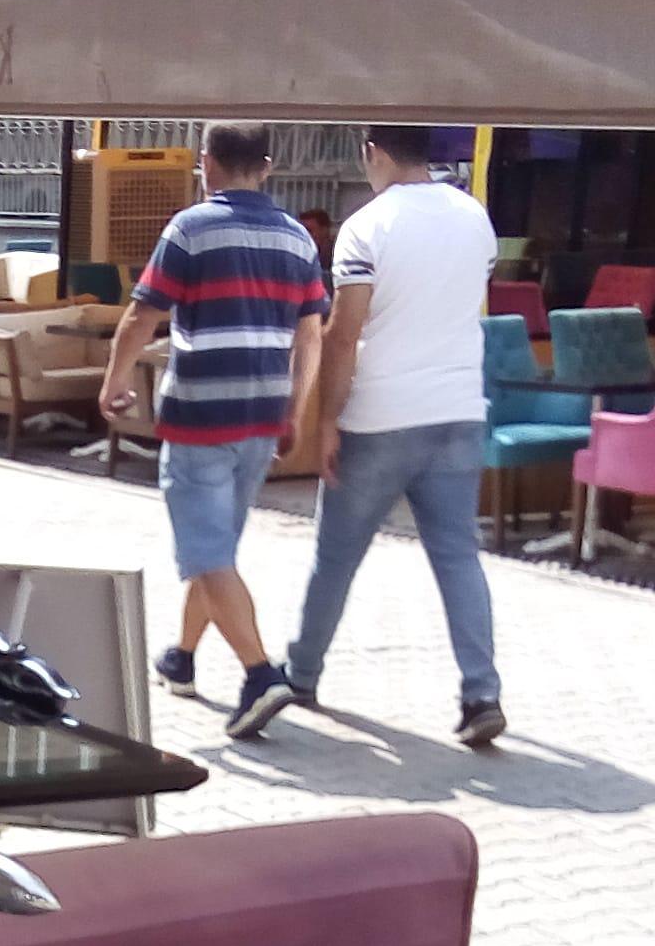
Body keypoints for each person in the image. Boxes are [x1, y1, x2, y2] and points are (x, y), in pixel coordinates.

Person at [100, 122, 329, 738]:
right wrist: (296, 409)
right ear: (268, 166)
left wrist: (115, 378)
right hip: (262, 415)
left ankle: (260, 675)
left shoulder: (191, 228)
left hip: (201, 415)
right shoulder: (297, 238)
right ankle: (181, 656)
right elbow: (310, 335)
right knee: (217, 549)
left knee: (206, 554)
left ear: (207, 162)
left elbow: (142, 313)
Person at [285, 126, 508, 750]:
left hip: (381, 416)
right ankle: (481, 693)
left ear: (374, 153)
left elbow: (343, 334)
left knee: (336, 555)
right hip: (458, 408)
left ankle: (302, 674)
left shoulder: (366, 226)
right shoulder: (474, 218)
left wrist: (327, 420)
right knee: (458, 556)